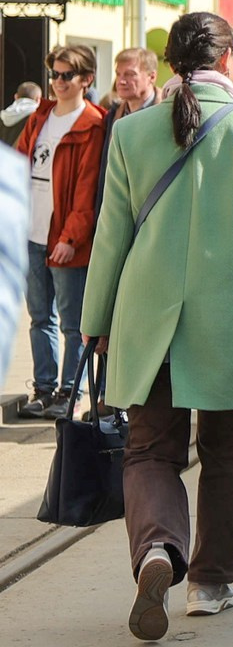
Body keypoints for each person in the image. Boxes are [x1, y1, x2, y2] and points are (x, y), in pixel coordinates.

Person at [82, 11, 233, 639]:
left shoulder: (130, 131)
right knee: (228, 452)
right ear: (228, 61)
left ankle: (156, 548)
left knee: (149, 449)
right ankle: (210, 582)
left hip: (147, 320)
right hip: (230, 320)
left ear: (171, 65)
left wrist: (94, 320)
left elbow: (111, 235)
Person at [17, 46, 105, 420]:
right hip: (31, 233)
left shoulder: (93, 123)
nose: (58, 81)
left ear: (86, 79)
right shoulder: (40, 117)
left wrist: (70, 238)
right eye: (55, 74)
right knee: (40, 318)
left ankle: (70, 393)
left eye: (67, 75)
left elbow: (88, 189)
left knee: (72, 324)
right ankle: (43, 388)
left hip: (66, 239)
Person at [109, 46, 159, 117]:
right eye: (118, 74)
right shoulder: (112, 114)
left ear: (152, 77)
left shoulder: (169, 112)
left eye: (130, 74)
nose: (121, 81)